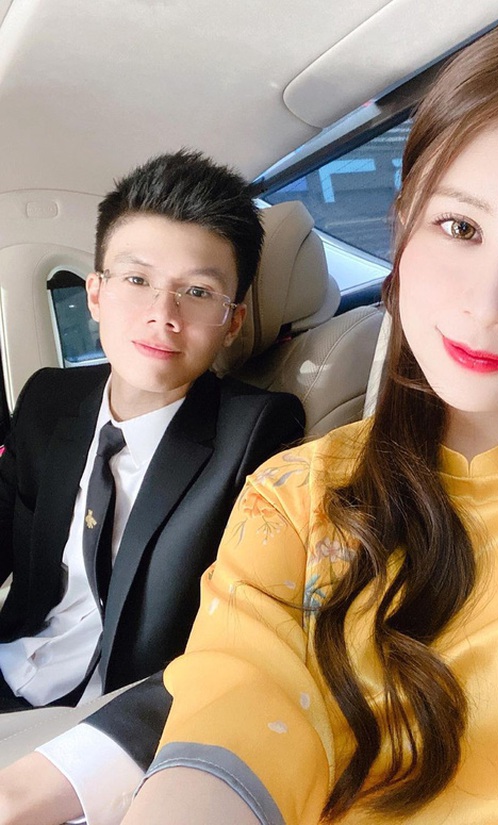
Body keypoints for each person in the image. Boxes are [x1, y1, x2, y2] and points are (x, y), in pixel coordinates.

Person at [116, 12, 498, 825]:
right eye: (461, 227)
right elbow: (236, 710)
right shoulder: (295, 498)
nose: (491, 304)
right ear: (403, 224)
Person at [0, 152, 304, 812]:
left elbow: (247, 642)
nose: (163, 315)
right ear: (96, 294)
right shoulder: (49, 398)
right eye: (137, 279)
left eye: (198, 292)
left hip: (118, 721)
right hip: (11, 673)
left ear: (233, 319)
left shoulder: (258, 431)